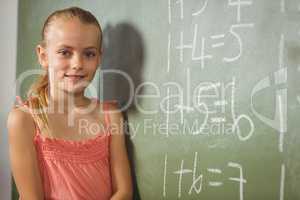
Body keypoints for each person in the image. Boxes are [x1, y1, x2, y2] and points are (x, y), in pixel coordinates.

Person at [7, 6, 133, 200]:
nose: (77, 64)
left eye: (89, 54)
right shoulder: (25, 120)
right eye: (65, 52)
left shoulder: (110, 115)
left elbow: (123, 191)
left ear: (99, 58)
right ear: (43, 56)